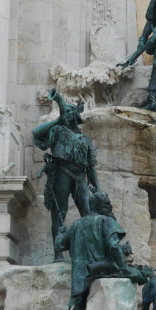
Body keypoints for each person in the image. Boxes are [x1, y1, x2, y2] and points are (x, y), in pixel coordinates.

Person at [31, 90, 99, 259]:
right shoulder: (57, 130)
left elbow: (91, 166)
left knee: (89, 212)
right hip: (62, 173)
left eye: (70, 111)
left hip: (80, 176)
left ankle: (90, 254)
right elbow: (36, 134)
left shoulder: (85, 139)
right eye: (65, 111)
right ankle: (58, 254)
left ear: (76, 115)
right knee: (59, 214)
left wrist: (96, 186)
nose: (67, 114)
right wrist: (57, 120)